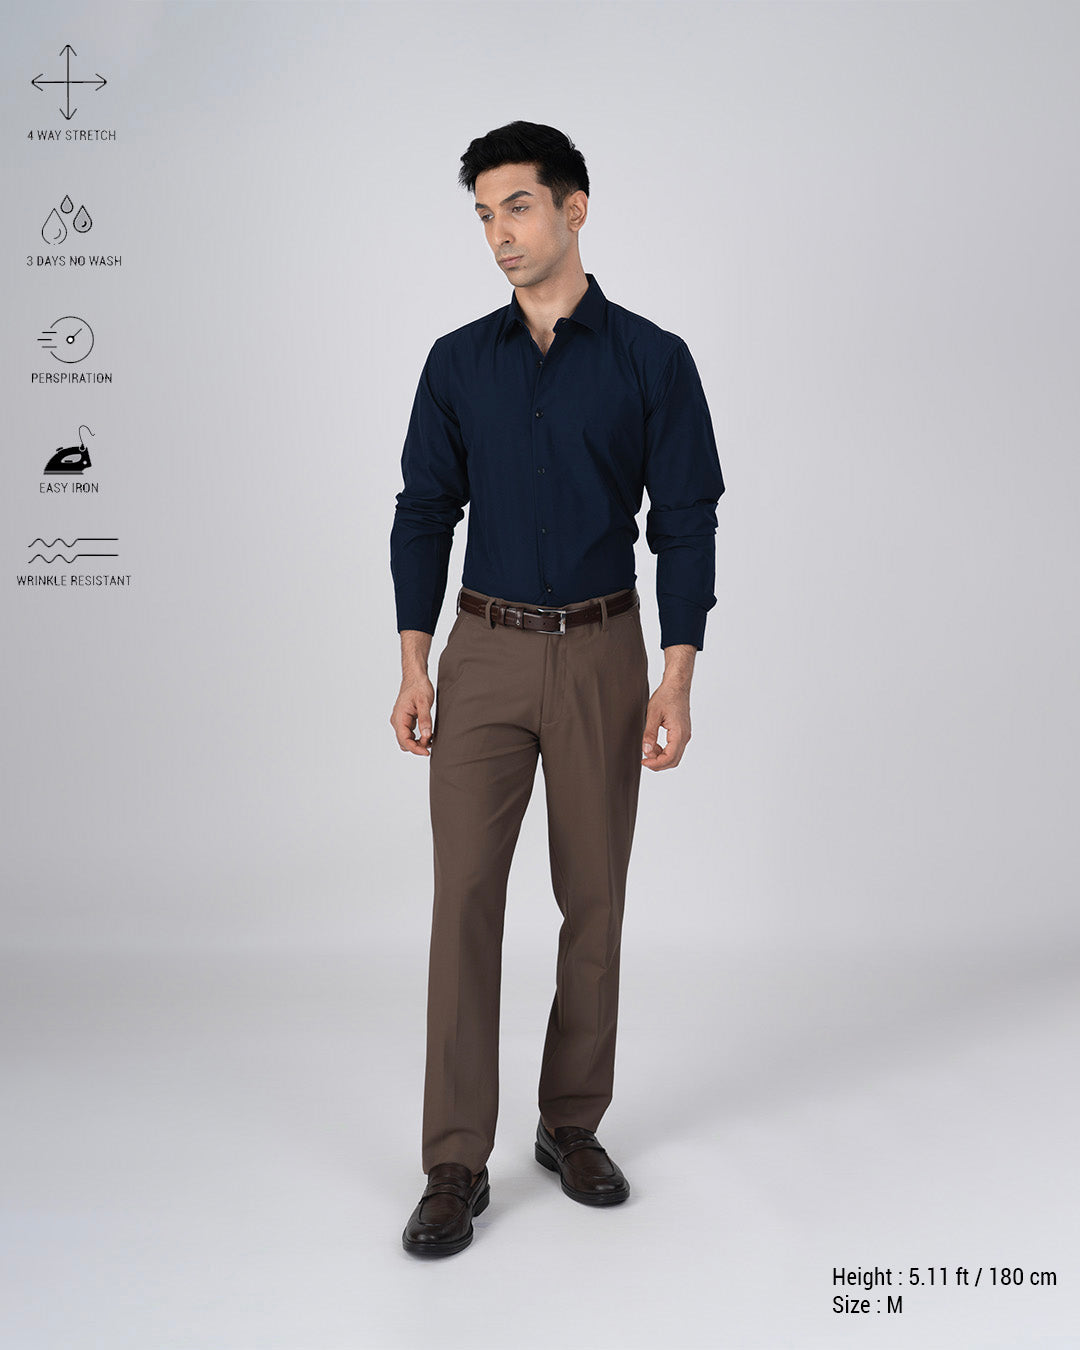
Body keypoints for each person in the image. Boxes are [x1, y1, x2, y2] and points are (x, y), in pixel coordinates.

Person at [390, 120, 725, 1257]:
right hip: (481, 651)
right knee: (463, 903)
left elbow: (685, 522)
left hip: (601, 652)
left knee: (595, 897)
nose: (499, 233)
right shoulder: (456, 363)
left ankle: (570, 1123)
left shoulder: (652, 360)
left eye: (518, 207)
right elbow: (422, 511)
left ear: (576, 209)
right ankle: (452, 1161)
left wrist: (676, 674)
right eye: (484, 215)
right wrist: (414, 661)